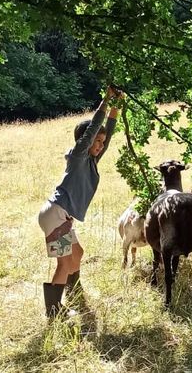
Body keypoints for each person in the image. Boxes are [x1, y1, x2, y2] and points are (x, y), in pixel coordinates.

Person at [38, 86, 121, 319]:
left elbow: (108, 132)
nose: (100, 145)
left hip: (61, 217)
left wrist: (117, 106)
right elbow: (94, 128)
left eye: (102, 143)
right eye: (97, 142)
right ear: (85, 142)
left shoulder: (92, 162)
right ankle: (54, 311)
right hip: (55, 214)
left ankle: (74, 292)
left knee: (78, 252)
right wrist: (105, 99)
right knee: (64, 264)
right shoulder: (78, 157)